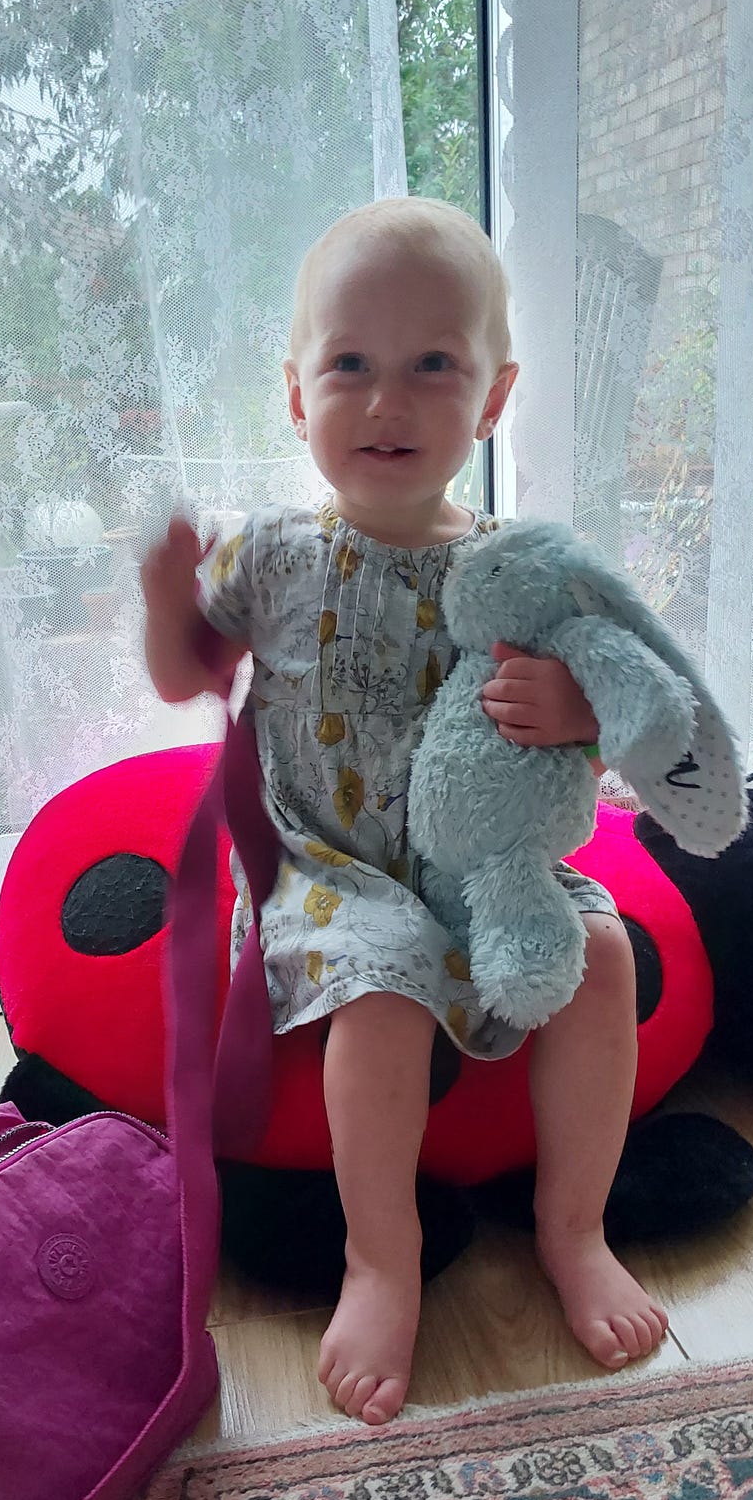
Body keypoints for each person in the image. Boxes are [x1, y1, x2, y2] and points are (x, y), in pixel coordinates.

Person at [142, 197, 668, 1427]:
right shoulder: (269, 555)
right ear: (295, 393)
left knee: (599, 957)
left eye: (433, 365)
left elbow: (621, 714)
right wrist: (169, 599)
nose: (387, 402)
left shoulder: (520, 567)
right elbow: (185, 674)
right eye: (350, 366)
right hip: (331, 868)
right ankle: (379, 1260)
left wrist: (572, 708)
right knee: (380, 993)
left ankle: (574, 1230)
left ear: (493, 397)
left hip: (483, 867)